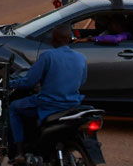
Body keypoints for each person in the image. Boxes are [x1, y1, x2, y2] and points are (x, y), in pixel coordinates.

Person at [8, 24, 87, 160]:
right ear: (69, 38)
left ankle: (19, 152)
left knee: (14, 107)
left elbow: (29, 82)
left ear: (54, 39)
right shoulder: (81, 58)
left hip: (49, 105)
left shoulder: (47, 56)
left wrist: (10, 83)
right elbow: (82, 81)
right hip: (72, 105)